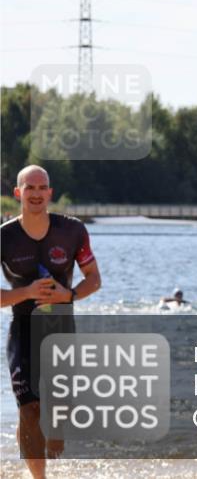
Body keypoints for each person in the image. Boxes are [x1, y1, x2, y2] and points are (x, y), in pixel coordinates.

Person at [1, 165, 102, 479]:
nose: (35, 193)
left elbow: (94, 279)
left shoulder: (72, 231)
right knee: (29, 408)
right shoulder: (4, 237)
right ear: (17, 193)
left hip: (61, 329)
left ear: (50, 193)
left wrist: (68, 295)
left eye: (41, 187)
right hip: (23, 330)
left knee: (58, 414)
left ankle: (55, 440)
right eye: (29, 188)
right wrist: (26, 292)